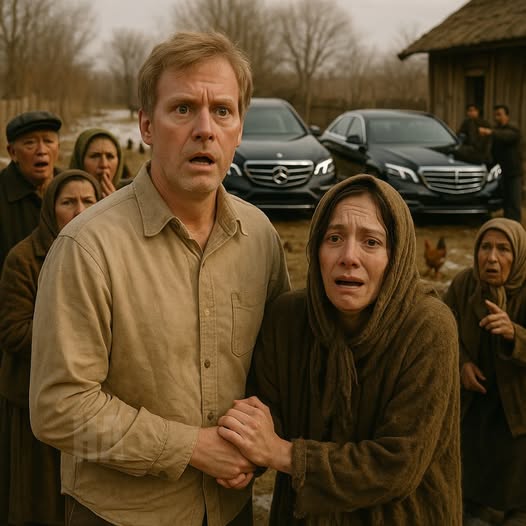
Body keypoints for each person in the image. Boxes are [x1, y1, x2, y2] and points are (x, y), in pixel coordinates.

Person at [29, 32, 290, 526]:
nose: (205, 130)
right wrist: (191, 447)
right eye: (183, 109)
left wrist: (258, 442)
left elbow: (277, 370)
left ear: (239, 128)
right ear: (146, 125)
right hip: (120, 516)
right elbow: (57, 407)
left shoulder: (260, 238)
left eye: (223, 111)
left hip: (230, 510)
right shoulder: (88, 247)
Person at [218, 174, 462, 524]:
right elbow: (267, 417)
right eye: (334, 238)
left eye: (371, 242)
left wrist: (285, 455)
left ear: (396, 256)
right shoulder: (288, 319)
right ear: (316, 247)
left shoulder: (428, 328)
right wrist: (245, 457)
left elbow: (398, 464)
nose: (349, 257)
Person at [0, 170, 101, 526]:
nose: (80, 210)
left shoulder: (104, 257)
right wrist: (77, 340)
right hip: (34, 399)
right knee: (39, 502)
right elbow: (13, 332)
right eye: (68, 202)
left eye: (88, 201)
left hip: (90, 402)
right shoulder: (24, 258)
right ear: (50, 209)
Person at [445, 218, 526, 525]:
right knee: (470, 493)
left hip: (517, 414)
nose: (491, 257)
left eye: (503, 249)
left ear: (519, 255)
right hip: (474, 408)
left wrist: (515, 334)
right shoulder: (464, 286)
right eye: (485, 247)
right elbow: (444, 333)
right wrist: (461, 363)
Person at [0, 110, 61, 271]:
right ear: (12, 152)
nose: (41, 150)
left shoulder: (71, 188)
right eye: (30, 143)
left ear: (58, 148)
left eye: (48, 141)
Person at [479, 105, 523, 222]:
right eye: (495, 115)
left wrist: (490, 132)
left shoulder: (513, 129)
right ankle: (507, 224)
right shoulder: (496, 132)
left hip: (514, 173)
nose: (496, 118)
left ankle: (515, 227)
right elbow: (493, 152)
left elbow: (507, 136)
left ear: (506, 116)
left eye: (499, 114)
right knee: (506, 202)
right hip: (502, 172)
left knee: (514, 202)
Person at [69, 128, 125, 197]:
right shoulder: (61, 195)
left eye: (110, 156)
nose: (104, 164)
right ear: (80, 160)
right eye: (95, 156)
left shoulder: (132, 196)